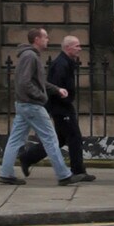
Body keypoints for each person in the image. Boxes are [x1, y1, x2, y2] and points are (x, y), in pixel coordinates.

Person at [0, 28, 74, 186]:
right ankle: (63, 174)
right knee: (51, 139)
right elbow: (24, 83)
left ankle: (6, 173)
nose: (48, 40)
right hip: (32, 105)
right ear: (37, 39)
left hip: (24, 105)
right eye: (45, 37)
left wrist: (56, 89)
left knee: (15, 139)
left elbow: (37, 82)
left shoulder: (30, 56)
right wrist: (41, 96)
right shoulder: (30, 56)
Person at [19, 34, 94, 181]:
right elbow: (53, 86)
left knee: (60, 139)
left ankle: (28, 157)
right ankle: (78, 170)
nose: (80, 49)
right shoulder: (61, 64)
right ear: (68, 47)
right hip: (61, 107)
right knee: (74, 137)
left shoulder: (66, 62)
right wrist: (62, 99)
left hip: (63, 106)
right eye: (77, 46)